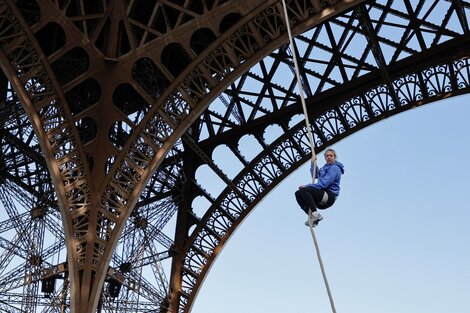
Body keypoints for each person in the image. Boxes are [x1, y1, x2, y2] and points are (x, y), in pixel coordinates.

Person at [294, 148, 344, 226]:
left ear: (334, 157)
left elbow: (324, 184)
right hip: (321, 198)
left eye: (331, 155)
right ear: (325, 158)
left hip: (329, 196)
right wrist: (313, 163)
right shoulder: (324, 168)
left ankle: (315, 214)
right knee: (298, 194)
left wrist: (307, 186)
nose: (329, 157)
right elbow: (316, 175)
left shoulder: (335, 168)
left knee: (303, 190)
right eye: (327, 156)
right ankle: (313, 216)